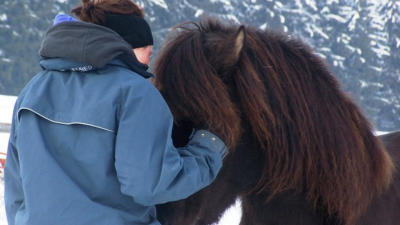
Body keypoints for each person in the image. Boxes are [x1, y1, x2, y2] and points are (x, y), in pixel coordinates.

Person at [4, 0, 227, 225]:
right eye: (147, 52)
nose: (148, 64)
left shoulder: (34, 89)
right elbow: (149, 184)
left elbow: (15, 188)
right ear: (127, 46)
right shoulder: (135, 93)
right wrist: (207, 150)